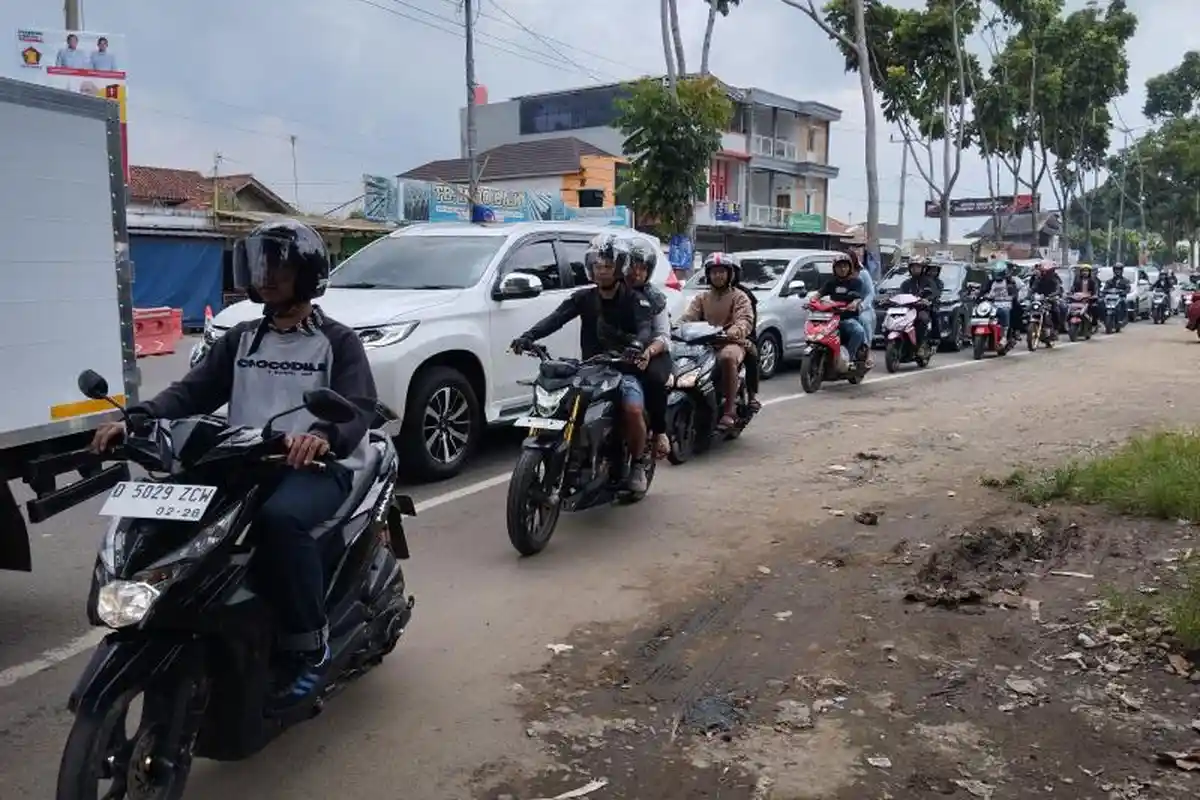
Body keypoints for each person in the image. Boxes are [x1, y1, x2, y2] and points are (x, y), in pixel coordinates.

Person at [89, 219, 376, 709]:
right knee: (182, 510)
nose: (267, 276)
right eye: (261, 264)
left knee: (279, 521)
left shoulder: (336, 340)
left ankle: (308, 644)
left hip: (318, 467)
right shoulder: (242, 338)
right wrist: (138, 418)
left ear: (305, 273)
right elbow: (192, 390)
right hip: (247, 457)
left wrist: (322, 436)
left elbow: (359, 405)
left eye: (279, 266)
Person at [512, 232, 656, 492]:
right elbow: (555, 318)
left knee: (633, 410)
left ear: (620, 267)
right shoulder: (583, 298)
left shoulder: (636, 299)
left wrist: (636, 345)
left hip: (624, 369)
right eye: (598, 266)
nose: (602, 271)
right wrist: (528, 336)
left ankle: (636, 463)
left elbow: (646, 329)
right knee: (563, 405)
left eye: (608, 266)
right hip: (590, 368)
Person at [679, 253, 756, 431]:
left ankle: (729, 411)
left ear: (730, 274)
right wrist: (676, 329)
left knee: (727, 358)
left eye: (722, 272)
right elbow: (687, 318)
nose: (718, 276)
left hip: (731, 343)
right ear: (708, 275)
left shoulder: (740, 297)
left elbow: (744, 320)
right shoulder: (701, 298)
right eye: (714, 272)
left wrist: (734, 332)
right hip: (704, 344)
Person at [623, 241, 673, 460]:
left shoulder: (655, 299)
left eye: (642, 268)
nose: (636, 272)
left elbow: (663, 335)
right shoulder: (611, 293)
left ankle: (660, 432)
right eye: (632, 266)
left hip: (651, 353)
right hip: (618, 353)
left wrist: (649, 352)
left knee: (653, 379)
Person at [817, 253, 868, 365]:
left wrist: (854, 303)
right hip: (831, 320)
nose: (842, 269)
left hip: (848, 318)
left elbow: (859, 298)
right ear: (834, 268)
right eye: (839, 266)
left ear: (850, 267)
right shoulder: (830, 282)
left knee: (858, 331)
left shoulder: (856, 282)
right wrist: (811, 302)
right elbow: (818, 294)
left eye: (845, 266)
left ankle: (847, 359)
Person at [897, 258, 939, 349]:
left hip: (921, 309)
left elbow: (933, 294)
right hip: (907, 310)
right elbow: (900, 295)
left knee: (922, 319)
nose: (915, 269)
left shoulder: (929, 282)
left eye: (918, 267)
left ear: (923, 268)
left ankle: (921, 344)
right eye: (913, 267)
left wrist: (927, 300)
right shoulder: (906, 283)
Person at [977, 263, 1019, 337]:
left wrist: (1012, 297)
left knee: (1006, 312)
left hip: (1005, 304)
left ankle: (1005, 336)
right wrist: (979, 297)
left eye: (999, 273)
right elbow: (983, 291)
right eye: (996, 273)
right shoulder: (990, 282)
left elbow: (1014, 292)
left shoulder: (1010, 282)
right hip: (992, 304)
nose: (997, 276)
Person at [850, 252, 876, 367]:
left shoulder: (863, 274)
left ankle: (867, 352)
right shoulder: (840, 277)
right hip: (845, 309)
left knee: (863, 320)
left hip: (863, 309)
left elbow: (871, 293)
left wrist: (862, 306)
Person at [1030, 262, 1064, 331]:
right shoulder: (1038, 279)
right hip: (1040, 298)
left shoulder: (1055, 279)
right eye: (1042, 271)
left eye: (1044, 271)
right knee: (1029, 308)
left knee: (1055, 311)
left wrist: (1052, 295)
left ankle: (1055, 328)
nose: (1043, 273)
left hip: (1051, 298)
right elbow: (1033, 288)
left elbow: (1058, 289)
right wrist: (1030, 295)